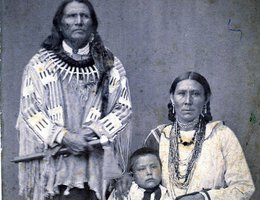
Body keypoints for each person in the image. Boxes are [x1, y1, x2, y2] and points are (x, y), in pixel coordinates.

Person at [16, 0, 132, 199]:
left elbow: (123, 108)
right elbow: (30, 111)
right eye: (71, 16)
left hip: (97, 168)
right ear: (60, 24)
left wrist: (92, 132)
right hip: (55, 169)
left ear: (92, 24)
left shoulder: (110, 64)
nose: (78, 21)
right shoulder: (40, 64)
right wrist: (64, 137)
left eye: (84, 16)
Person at [143, 71, 255, 199]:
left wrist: (203, 197)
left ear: (205, 99)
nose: (188, 101)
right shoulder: (159, 136)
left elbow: (244, 188)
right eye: (181, 93)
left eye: (195, 94)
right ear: (172, 98)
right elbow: (139, 183)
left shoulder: (221, 135)